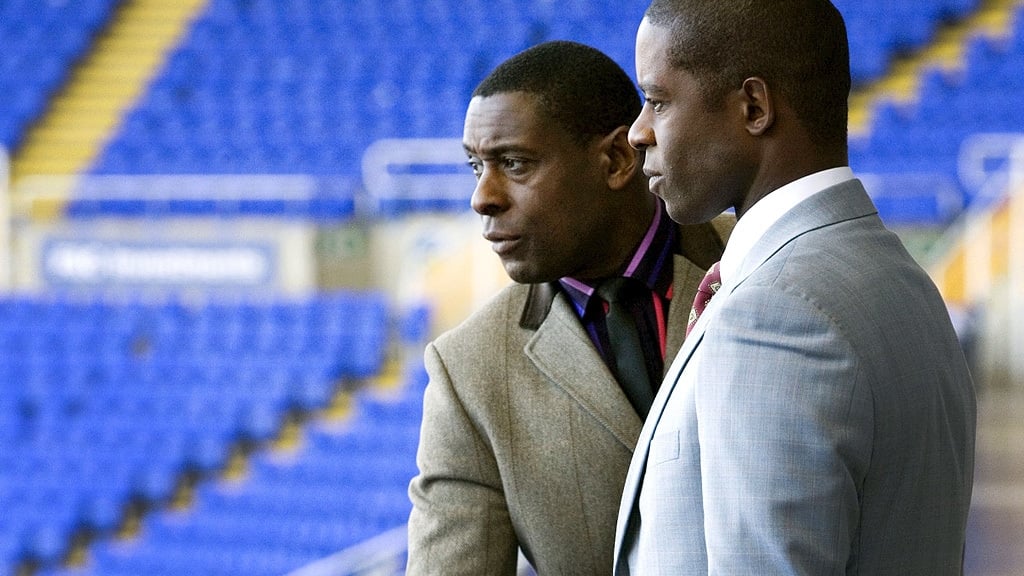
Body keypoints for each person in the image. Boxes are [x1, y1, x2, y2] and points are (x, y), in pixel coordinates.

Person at [613, 1, 977, 574]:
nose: (638, 132)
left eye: (657, 101)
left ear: (753, 108)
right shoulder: (903, 283)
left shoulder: (774, 313)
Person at [406, 40, 732, 575]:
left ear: (617, 159)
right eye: (476, 166)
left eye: (514, 163)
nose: (482, 197)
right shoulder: (468, 370)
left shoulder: (762, 261)